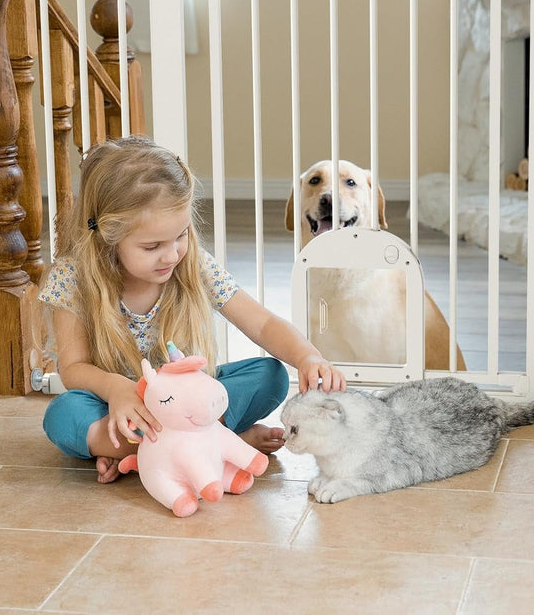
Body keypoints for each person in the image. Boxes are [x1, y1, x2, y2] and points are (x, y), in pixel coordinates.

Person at [40, 135, 346, 484]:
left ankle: (148, 454)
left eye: (181, 235)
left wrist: (307, 357)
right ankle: (219, 445)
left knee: (271, 376)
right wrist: (116, 390)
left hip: (187, 408)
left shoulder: (194, 265)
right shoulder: (72, 277)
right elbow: (73, 368)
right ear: (107, 237)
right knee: (63, 415)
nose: (172, 255)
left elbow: (261, 325)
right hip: (120, 408)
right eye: (152, 246)